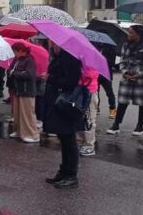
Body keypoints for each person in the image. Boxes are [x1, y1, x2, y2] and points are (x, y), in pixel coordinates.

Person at [42, 41, 83, 189]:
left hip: (65, 103)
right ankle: (64, 171)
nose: (50, 43)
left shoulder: (70, 56)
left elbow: (71, 82)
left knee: (68, 139)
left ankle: (71, 175)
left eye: (52, 41)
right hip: (57, 101)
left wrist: (50, 79)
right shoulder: (59, 55)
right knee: (63, 138)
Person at [106, 25, 143, 136]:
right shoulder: (126, 46)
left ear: (139, 34)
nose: (129, 35)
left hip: (142, 80)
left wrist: (139, 74)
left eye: (131, 33)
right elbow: (122, 61)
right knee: (122, 102)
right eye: (128, 32)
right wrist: (125, 72)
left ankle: (140, 126)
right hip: (127, 78)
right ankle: (116, 124)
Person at [7, 42, 40, 143]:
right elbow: (10, 70)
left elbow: (29, 75)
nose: (14, 53)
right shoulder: (17, 60)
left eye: (15, 51)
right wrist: (12, 72)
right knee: (18, 113)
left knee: (27, 113)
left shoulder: (29, 60)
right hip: (18, 89)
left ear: (21, 51)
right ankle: (19, 131)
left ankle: (33, 134)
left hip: (27, 90)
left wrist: (15, 73)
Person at [77, 68, 100, 157]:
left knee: (89, 120)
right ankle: (80, 141)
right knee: (78, 117)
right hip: (80, 91)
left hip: (89, 92)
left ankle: (89, 145)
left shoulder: (91, 60)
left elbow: (90, 75)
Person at [97, 43, 117, 119]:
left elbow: (112, 63)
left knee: (109, 93)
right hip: (96, 74)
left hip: (106, 74)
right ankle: (96, 107)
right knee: (95, 93)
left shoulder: (110, 48)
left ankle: (112, 109)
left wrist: (102, 58)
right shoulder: (94, 47)